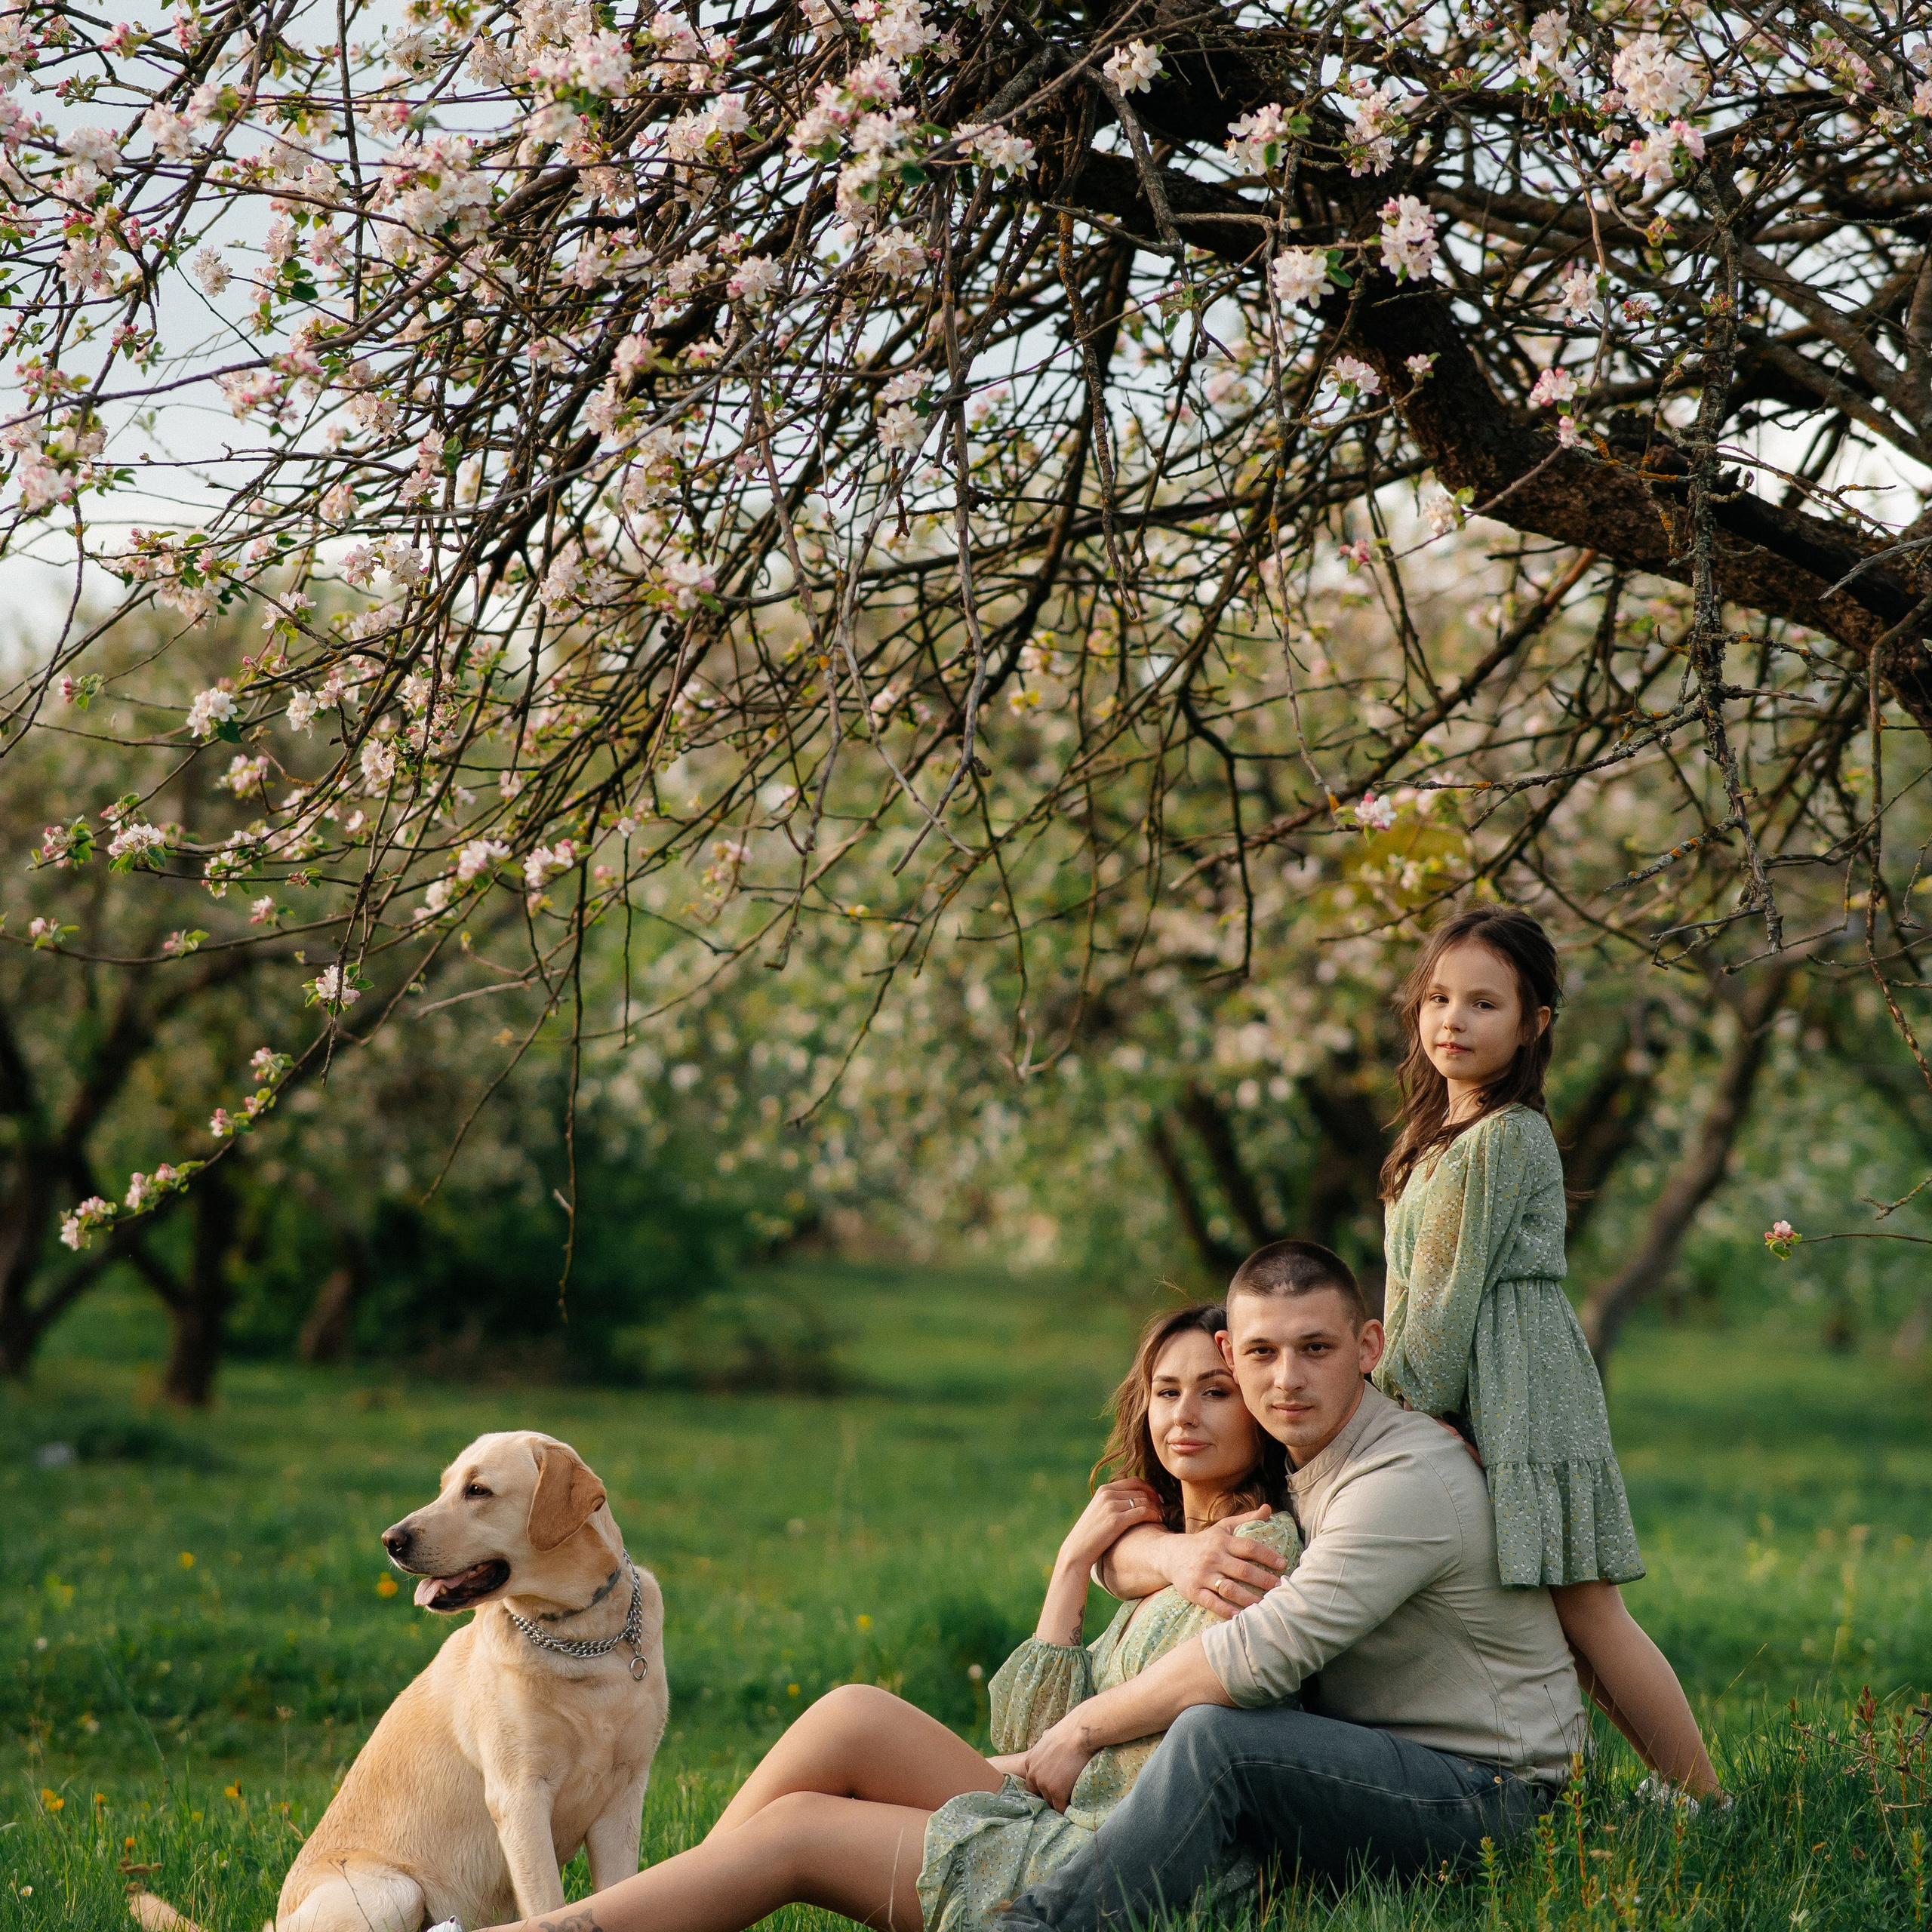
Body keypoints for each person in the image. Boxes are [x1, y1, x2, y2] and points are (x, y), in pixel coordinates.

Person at [472, 1302, 1300, 1932]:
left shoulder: (1251, 1553)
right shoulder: (1166, 1547)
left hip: (1124, 1861)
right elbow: (1038, 1727)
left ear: (1260, 1405)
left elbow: (1148, 1762)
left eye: (1216, 1392)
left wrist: (1043, 1747)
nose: (1183, 1413)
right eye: (1166, 1390)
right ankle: (673, 1901)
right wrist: (1071, 1569)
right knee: (852, 1712)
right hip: (1069, 1805)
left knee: (797, 1830)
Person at [993, 1239, 1587, 1931]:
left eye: (1315, 1349)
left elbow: (1261, 1651)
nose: (1287, 1381)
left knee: (1218, 1741)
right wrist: (1168, 1554)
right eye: (1261, 1354)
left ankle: (1033, 1927)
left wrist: (1081, 1729)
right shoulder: (1310, 1457)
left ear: (1369, 1347)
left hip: (1502, 1800)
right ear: (1230, 1352)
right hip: (1398, 1770)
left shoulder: (1401, 1479)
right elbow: (1123, 1558)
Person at [1372, 906, 1718, 1796]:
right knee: (1561, 1611)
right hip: (1480, 1378)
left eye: (1484, 1003)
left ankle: (1704, 1795)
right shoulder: (1429, 1141)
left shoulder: (1502, 1137)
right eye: (1439, 998)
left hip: (1517, 1381)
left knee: (1586, 1604)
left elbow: (1444, 1309)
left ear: (1533, 1025)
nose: (1453, 1019)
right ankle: (1656, 1785)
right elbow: (1410, 1292)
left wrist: (1389, 1412)